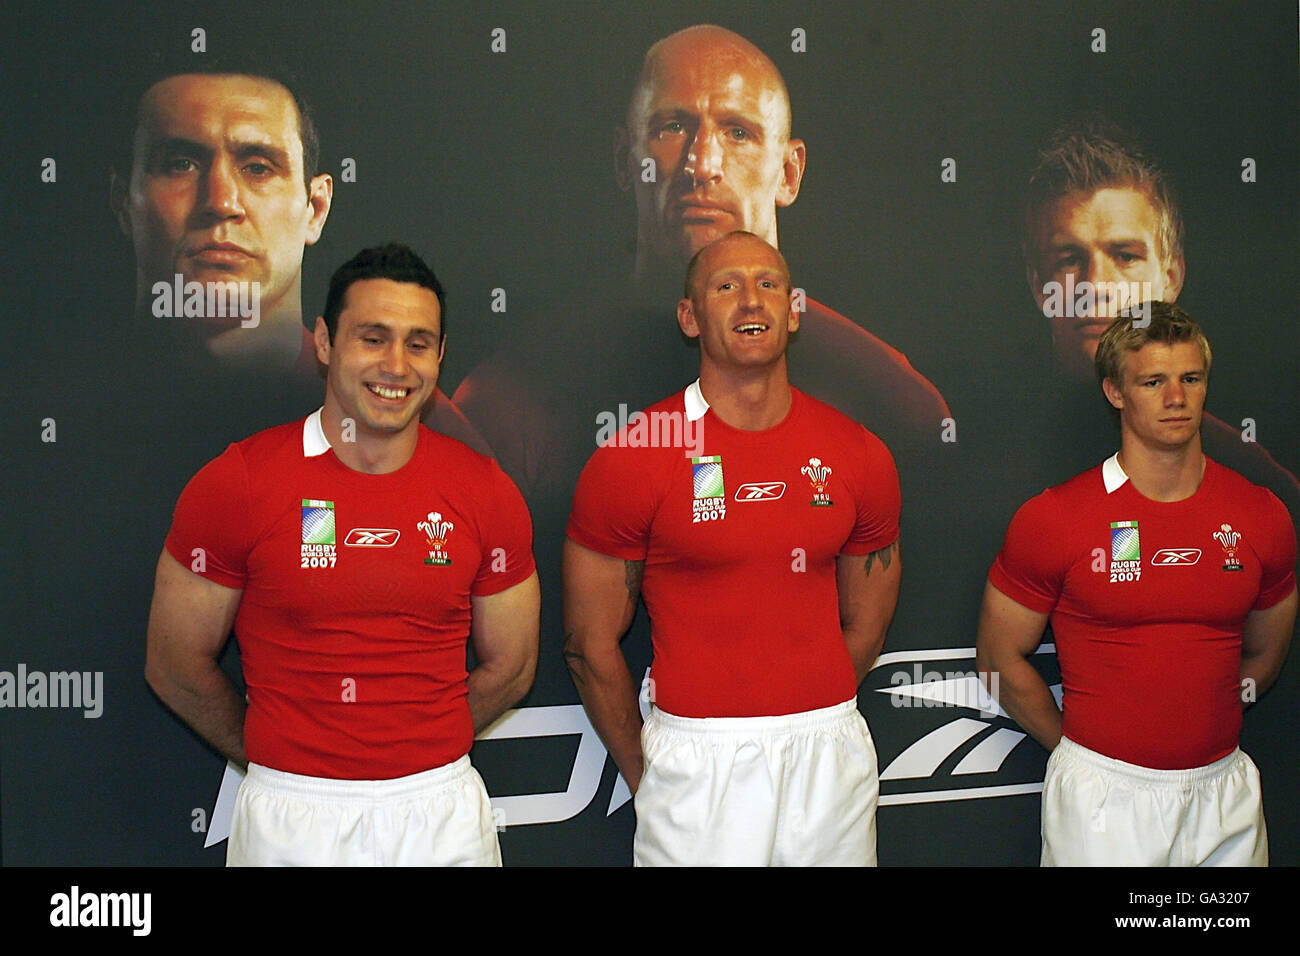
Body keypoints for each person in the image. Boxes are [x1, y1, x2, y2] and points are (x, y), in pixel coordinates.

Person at [145, 243, 540, 866]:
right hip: (292, 816)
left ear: (439, 355)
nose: (396, 364)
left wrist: (417, 746)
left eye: (417, 342)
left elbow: (513, 665)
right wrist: (286, 756)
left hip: (438, 812)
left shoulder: (484, 489)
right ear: (325, 342)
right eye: (373, 337)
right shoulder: (240, 482)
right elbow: (173, 664)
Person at [452, 24, 949, 504]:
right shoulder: (508, 404)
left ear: (789, 172)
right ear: (625, 160)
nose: (703, 164)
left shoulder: (890, 407)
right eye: (672, 127)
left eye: (738, 132)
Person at [563, 231, 902, 865]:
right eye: (727, 287)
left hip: (827, 749)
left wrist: (803, 703)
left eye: (769, 284)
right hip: (695, 758)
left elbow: (867, 619)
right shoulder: (635, 457)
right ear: (690, 318)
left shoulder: (857, 453)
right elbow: (589, 644)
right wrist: (655, 774)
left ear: (794, 309)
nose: (752, 302)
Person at [976, 303, 1297, 866]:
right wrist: (1081, 752)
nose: (1176, 398)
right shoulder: (1057, 518)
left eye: (1190, 378)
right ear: (1115, 392)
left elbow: (1266, 651)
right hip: (1104, 796)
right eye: (1153, 380)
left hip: (1224, 793)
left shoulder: (1260, 513)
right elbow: (999, 657)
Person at [110, 62, 485, 447]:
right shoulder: (60, 402)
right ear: (124, 202)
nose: (221, 201)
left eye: (258, 168)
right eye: (181, 165)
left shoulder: (428, 433)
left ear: (316, 208)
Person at [1018, 117, 1300, 512]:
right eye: (1070, 258)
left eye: (1125, 255)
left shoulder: (1258, 486)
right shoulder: (973, 470)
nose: (1096, 284)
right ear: (1037, 285)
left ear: (1171, 277)